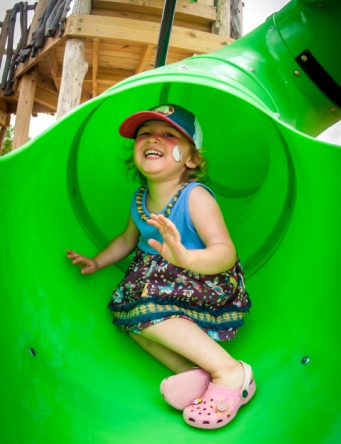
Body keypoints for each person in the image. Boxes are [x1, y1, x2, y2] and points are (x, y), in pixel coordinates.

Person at [67, 104, 255, 430]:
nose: (154, 138)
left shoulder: (195, 196)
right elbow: (127, 240)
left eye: (169, 134)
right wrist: (97, 261)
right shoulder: (140, 196)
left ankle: (229, 371)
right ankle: (189, 372)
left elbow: (225, 252)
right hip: (156, 278)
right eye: (145, 134)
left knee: (148, 309)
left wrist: (186, 259)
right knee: (128, 315)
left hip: (203, 277)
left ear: (192, 159)